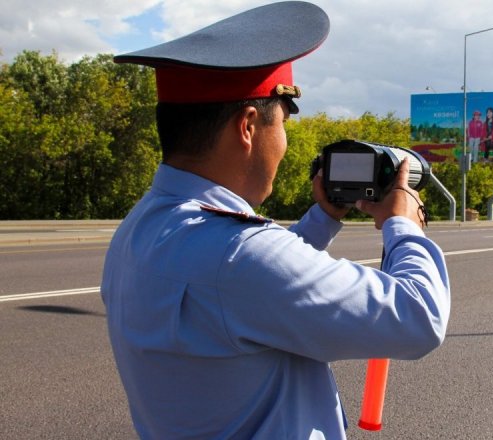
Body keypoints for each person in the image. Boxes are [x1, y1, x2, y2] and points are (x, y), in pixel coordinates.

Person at [101, 3, 450, 439]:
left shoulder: (141, 228)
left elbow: (247, 294)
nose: (283, 142)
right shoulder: (237, 255)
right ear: (248, 126)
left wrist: (324, 217)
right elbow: (418, 319)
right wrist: (404, 226)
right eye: (282, 121)